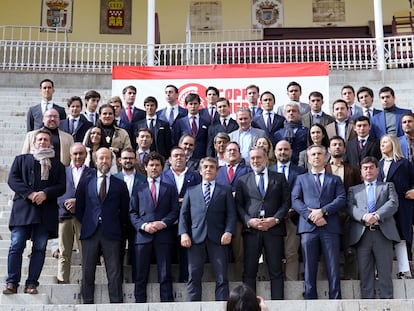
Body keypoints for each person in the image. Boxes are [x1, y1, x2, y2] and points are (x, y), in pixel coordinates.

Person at [3, 129, 65, 295]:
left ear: (50, 143)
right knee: (16, 246)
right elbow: (12, 179)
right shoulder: (21, 159)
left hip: (45, 212)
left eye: (46, 140)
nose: (42, 142)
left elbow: (61, 186)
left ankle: (31, 284)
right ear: (33, 142)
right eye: (39, 140)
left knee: (39, 247)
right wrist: (30, 194)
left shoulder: (57, 164)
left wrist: (45, 193)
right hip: (23, 210)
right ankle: (12, 282)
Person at [75, 147, 130, 304]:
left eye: (107, 158)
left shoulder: (120, 184)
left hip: (112, 233)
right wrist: (88, 222)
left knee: (114, 271)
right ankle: (87, 302)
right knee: (87, 270)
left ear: (112, 160)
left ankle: (116, 303)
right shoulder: (86, 182)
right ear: (95, 160)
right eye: (101, 158)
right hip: (90, 232)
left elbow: (124, 210)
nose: (104, 161)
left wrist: (118, 227)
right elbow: (80, 208)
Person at [292, 144, 346, 299]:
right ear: (308, 159)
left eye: (319, 154)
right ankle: (310, 298)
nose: (316, 157)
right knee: (309, 265)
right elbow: (295, 200)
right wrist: (312, 216)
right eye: (313, 154)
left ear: (325, 157)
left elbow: (341, 199)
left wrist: (322, 211)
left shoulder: (334, 179)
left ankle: (335, 299)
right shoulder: (300, 179)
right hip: (308, 228)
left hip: (330, 227)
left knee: (333, 265)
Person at [235, 147, 290, 299]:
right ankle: (248, 305)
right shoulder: (243, 180)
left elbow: (286, 202)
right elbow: (238, 205)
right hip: (252, 231)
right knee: (249, 271)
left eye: (259, 158)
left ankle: (278, 304)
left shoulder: (279, 178)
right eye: (252, 158)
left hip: (274, 229)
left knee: (276, 270)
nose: (255, 161)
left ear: (266, 158)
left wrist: (276, 219)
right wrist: (248, 220)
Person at [179, 157, 236, 301]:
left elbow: (231, 214)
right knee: (194, 276)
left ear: (217, 171)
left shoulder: (225, 190)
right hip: (195, 238)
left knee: (222, 276)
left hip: (218, 238)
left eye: (212, 167)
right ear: (200, 171)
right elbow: (184, 215)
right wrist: (184, 233)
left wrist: (229, 231)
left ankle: (222, 306)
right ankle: (192, 306)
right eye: (205, 167)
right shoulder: (191, 191)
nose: (208, 169)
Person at [130, 152, 179, 303]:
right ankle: (139, 305)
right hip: (143, 237)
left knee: (165, 274)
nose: (154, 168)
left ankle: (167, 304)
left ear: (162, 168)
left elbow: (175, 211)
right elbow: (132, 212)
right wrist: (144, 226)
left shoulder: (169, 188)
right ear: (145, 167)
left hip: (164, 236)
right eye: (151, 165)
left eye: (157, 165)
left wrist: (162, 223)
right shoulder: (138, 189)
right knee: (140, 274)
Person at [347, 156, 400, 299]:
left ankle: (387, 303)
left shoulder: (387, 186)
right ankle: (367, 303)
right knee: (364, 273)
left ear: (377, 170)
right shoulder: (354, 190)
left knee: (385, 272)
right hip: (363, 235)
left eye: (371, 167)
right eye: (365, 168)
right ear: (361, 172)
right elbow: (350, 207)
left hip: (382, 234)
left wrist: (376, 216)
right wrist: (364, 217)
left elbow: (393, 203)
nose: (368, 171)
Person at [161, 147, 201, 282]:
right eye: (175, 156)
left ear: (186, 159)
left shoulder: (195, 176)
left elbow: (199, 196)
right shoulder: (162, 176)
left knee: (186, 253)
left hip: (188, 220)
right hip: (167, 220)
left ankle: (185, 280)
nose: (179, 158)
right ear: (170, 159)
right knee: (166, 254)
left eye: (182, 156)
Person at [269, 140, 306, 281]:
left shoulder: (300, 171)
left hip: (293, 217)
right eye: (280, 149)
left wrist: (293, 209)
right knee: (272, 253)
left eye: (286, 149)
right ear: (275, 152)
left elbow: (303, 193)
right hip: (273, 219)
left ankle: (291, 284)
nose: (283, 152)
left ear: (291, 151)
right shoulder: (269, 171)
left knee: (291, 252)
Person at [378, 134, 414, 278]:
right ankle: (381, 271)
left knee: (401, 235)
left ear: (393, 144)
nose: (383, 145)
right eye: (381, 143)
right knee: (384, 235)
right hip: (383, 205)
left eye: (386, 142)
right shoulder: (378, 164)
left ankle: (404, 269)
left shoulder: (404, 163)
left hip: (402, 203)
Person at [326, 136, 361, 280]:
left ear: (344, 149)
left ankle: (351, 278)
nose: (337, 147)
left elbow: (358, 191)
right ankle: (330, 277)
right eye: (334, 145)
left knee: (350, 248)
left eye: (340, 145)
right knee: (329, 249)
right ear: (329, 149)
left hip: (347, 213)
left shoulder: (352, 170)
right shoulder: (323, 169)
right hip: (328, 213)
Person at [56, 143, 92, 284]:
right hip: (64, 217)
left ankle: (86, 282)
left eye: (80, 153)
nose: (78, 156)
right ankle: (62, 281)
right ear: (70, 155)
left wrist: (78, 203)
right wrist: (66, 203)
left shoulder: (92, 173)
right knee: (64, 252)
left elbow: (94, 195)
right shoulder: (62, 172)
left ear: (85, 155)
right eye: (75, 154)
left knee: (85, 252)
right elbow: (56, 193)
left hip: (83, 218)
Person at [216, 142, 252, 275]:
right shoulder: (217, 171)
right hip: (220, 218)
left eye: (235, 150)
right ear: (223, 154)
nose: (232, 152)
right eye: (229, 150)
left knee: (240, 253)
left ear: (240, 154)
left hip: (239, 217)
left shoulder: (247, 170)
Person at [113, 148, 146, 282]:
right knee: (117, 255)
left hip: (137, 222)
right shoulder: (114, 178)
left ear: (136, 160)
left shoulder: (143, 179)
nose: (128, 161)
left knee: (137, 255)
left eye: (131, 158)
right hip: (119, 222)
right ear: (120, 160)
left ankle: (136, 282)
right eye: (125, 158)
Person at [172, 93, 209, 159]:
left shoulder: (205, 122)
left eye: (195, 103)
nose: (193, 106)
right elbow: (175, 140)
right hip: (184, 156)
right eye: (190, 104)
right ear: (186, 105)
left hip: (200, 157)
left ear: (199, 105)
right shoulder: (180, 122)